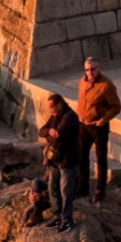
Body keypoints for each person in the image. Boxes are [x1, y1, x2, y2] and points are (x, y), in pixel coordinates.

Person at [75, 57, 121, 201]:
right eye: (87, 70)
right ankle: (83, 188)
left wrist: (103, 119)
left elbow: (116, 107)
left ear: (98, 68)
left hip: (98, 127)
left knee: (101, 159)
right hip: (83, 125)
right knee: (82, 157)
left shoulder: (106, 85)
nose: (90, 72)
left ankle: (100, 191)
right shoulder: (82, 82)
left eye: (93, 69)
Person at [37, 93, 82, 232]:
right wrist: (50, 131)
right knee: (52, 188)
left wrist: (50, 135)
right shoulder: (55, 116)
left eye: (51, 107)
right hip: (55, 161)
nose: (50, 111)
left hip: (67, 161)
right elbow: (41, 131)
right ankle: (57, 216)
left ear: (59, 104)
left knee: (66, 191)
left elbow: (58, 139)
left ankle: (67, 220)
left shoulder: (70, 117)